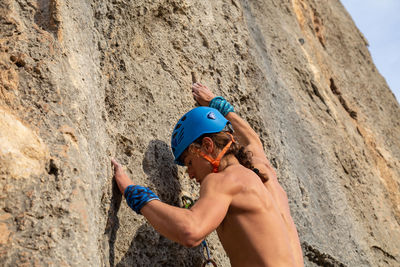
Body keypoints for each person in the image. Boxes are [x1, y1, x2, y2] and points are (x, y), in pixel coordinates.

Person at [112, 83, 304, 266]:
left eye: (189, 162)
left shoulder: (223, 180)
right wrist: (216, 104)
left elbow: (190, 230)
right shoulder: (262, 171)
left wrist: (135, 193)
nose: (190, 174)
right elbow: (252, 139)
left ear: (207, 145)